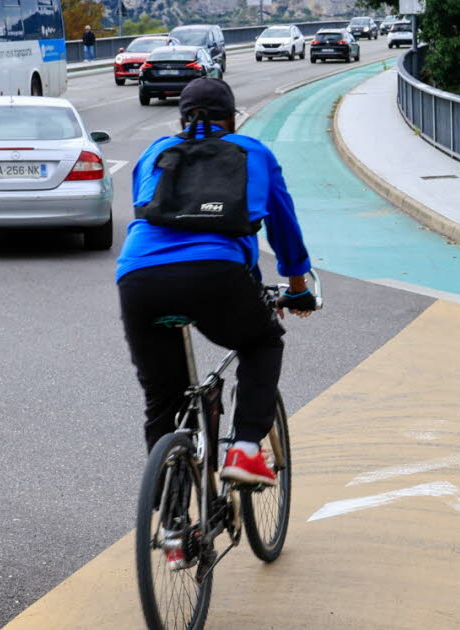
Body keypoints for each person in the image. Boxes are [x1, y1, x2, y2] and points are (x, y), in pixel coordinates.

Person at [117, 78, 315, 491]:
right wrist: (297, 286)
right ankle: (244, 448)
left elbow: (145, 209)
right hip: (216, 274)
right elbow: (284, 231)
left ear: (182, 118)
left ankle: (171, 523)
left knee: (163, 396)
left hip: (139, 276)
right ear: (232, 119)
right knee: (262, 343)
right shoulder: (254, 153)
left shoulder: (155, 152)